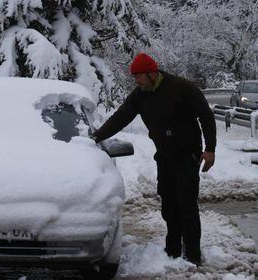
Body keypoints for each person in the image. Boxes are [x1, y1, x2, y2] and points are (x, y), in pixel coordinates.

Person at [92, 53, 216, 266]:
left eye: (139, 76)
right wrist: (96, 137)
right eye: (134, 77)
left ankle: (193, 255)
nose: (136, 81)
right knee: (169, 205)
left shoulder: (183, 88)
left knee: (186, 205)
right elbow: (120, 118)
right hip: (165, 157)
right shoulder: (141, 94)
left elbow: (206, 116)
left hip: (188, 154)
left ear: (152, 73)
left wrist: (210, 149)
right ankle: (173, 250)